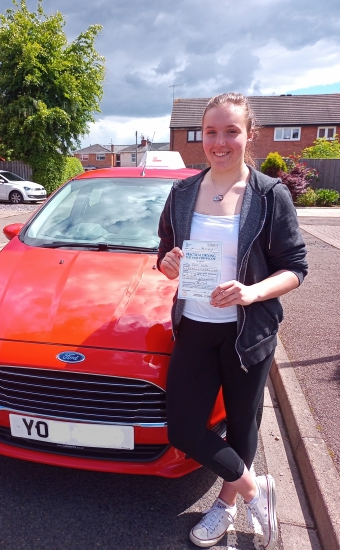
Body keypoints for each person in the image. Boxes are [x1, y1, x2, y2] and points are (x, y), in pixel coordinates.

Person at [157, 92, 308, 549]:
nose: (219, 142)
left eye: (231, 131)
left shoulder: (269, 194)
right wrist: (167, 262)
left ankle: (224, 505)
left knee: (243, 424)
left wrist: (251, 292)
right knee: (182, 426)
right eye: (211, 132)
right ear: (201, 136)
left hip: (249, 332)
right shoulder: (183, 193)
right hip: (196, 326)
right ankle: (254, 489)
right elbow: (164, 248)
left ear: (249, 134)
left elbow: (295, 267)